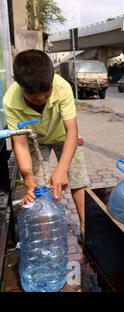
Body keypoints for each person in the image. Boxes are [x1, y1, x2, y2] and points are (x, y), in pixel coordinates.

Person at [3, 50, 90, 237]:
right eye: (34, 98)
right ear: (16, 82)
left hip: (63, 137)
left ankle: (86, 227)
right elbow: (20, 144)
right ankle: (45, 234)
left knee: (78, 179)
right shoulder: (10, 101)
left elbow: (72, 131)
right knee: (38, 188)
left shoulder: (62, 87)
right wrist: (28, 180)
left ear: (53, 77)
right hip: (35, 140)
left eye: (46, 93)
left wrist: (61, 169)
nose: (41, 99)